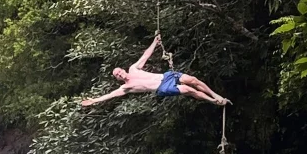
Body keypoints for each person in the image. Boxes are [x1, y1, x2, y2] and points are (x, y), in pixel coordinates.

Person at [80, 35, 230, 107]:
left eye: (119, 71)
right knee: (187, 89)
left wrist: (155, 42)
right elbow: (110, 95)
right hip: (162, 87)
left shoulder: (133, 68)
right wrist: (94, 100)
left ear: (123, 69)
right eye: (117, 75)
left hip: (165, 76)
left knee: (193, 80)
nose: (120, 74)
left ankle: (214, 94)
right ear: (118, 79)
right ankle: (214, 101)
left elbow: (145, 55)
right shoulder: (126, 87)